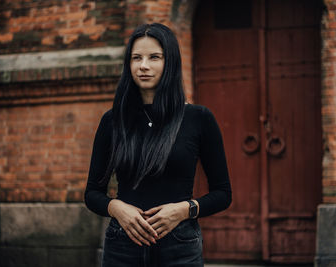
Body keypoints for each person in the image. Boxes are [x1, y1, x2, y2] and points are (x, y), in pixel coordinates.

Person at [84, 23, 232, 267]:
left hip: (180, 247)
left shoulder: (198, 118)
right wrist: (118, 208)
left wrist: (184, 210)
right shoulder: (113, 121)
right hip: (122, 246)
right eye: (136, 58)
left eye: (154, 57)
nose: (143, 66)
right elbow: (92, 194)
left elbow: (223, 194)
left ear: (169, 62)